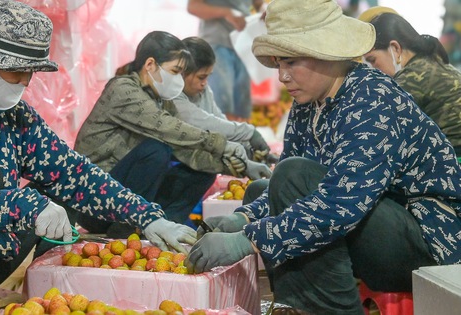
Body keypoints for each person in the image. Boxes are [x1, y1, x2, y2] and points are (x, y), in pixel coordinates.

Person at [0, 1, 198, 314]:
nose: (26, 80)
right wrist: (26, 205)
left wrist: (148, 216)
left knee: (58, 199)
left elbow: (73, 173)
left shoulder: (14, 116)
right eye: (17, 70)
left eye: (30, 71)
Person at [185, 0, 461, 314]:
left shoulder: (371, 97)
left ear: (326, 54)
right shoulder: (308, 103)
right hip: (374, 220)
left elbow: (340, 202)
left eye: (290, 63)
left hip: (428, 240)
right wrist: (244, 218)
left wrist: (247, 239)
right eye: (278, 64)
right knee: (263, 191)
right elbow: (285, 186)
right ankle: (295, 306)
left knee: (293, 178)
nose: (282, 77)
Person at [73, 30, 271, 238]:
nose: (178, 79)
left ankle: (165, 228)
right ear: (150, 65)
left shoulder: (161, 98)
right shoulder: (123, 90)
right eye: (175, 71)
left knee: (201, 170)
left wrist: (237, 167)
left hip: (121, 198)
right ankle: (127, 229)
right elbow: (169, 128)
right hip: (92, 201)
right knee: (156, 150)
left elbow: (183, 149)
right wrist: (224, 145)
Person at [361, 11, 461, 157]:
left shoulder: (411, 78)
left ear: (395, 48)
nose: (371, 69)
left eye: (372, 60)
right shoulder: (432, 62)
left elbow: (373, 129)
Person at [173, 36, 280, 164]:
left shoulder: (204, 90)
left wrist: (248, 151)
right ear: (182, 73)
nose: (204, 83)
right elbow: (204, 123)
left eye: (207, 77)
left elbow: (219, 121)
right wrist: (249, 132)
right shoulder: (172, 96)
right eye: (201, 77)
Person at [186, 0, 263, 122]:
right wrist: (226, 12)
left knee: (242, 107)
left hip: (244, 43)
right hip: (217, 42)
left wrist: (264, 10)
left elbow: (259, 4)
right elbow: (193, 6)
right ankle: (225, 138)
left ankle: (240, 138)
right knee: (221, 105)